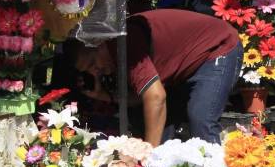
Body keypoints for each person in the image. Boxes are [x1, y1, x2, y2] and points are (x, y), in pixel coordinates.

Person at [73, 9, 242, 146]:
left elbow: (156, 96)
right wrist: (102, 96)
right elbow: (142, 99)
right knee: (155, 123)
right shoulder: (115, 56)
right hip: (187, 64)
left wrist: (149, 156)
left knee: (201, 117)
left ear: (100, 44)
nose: (97, 71)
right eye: (88, 71)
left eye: (93, 62)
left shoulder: (123, 44)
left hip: (218, 46)